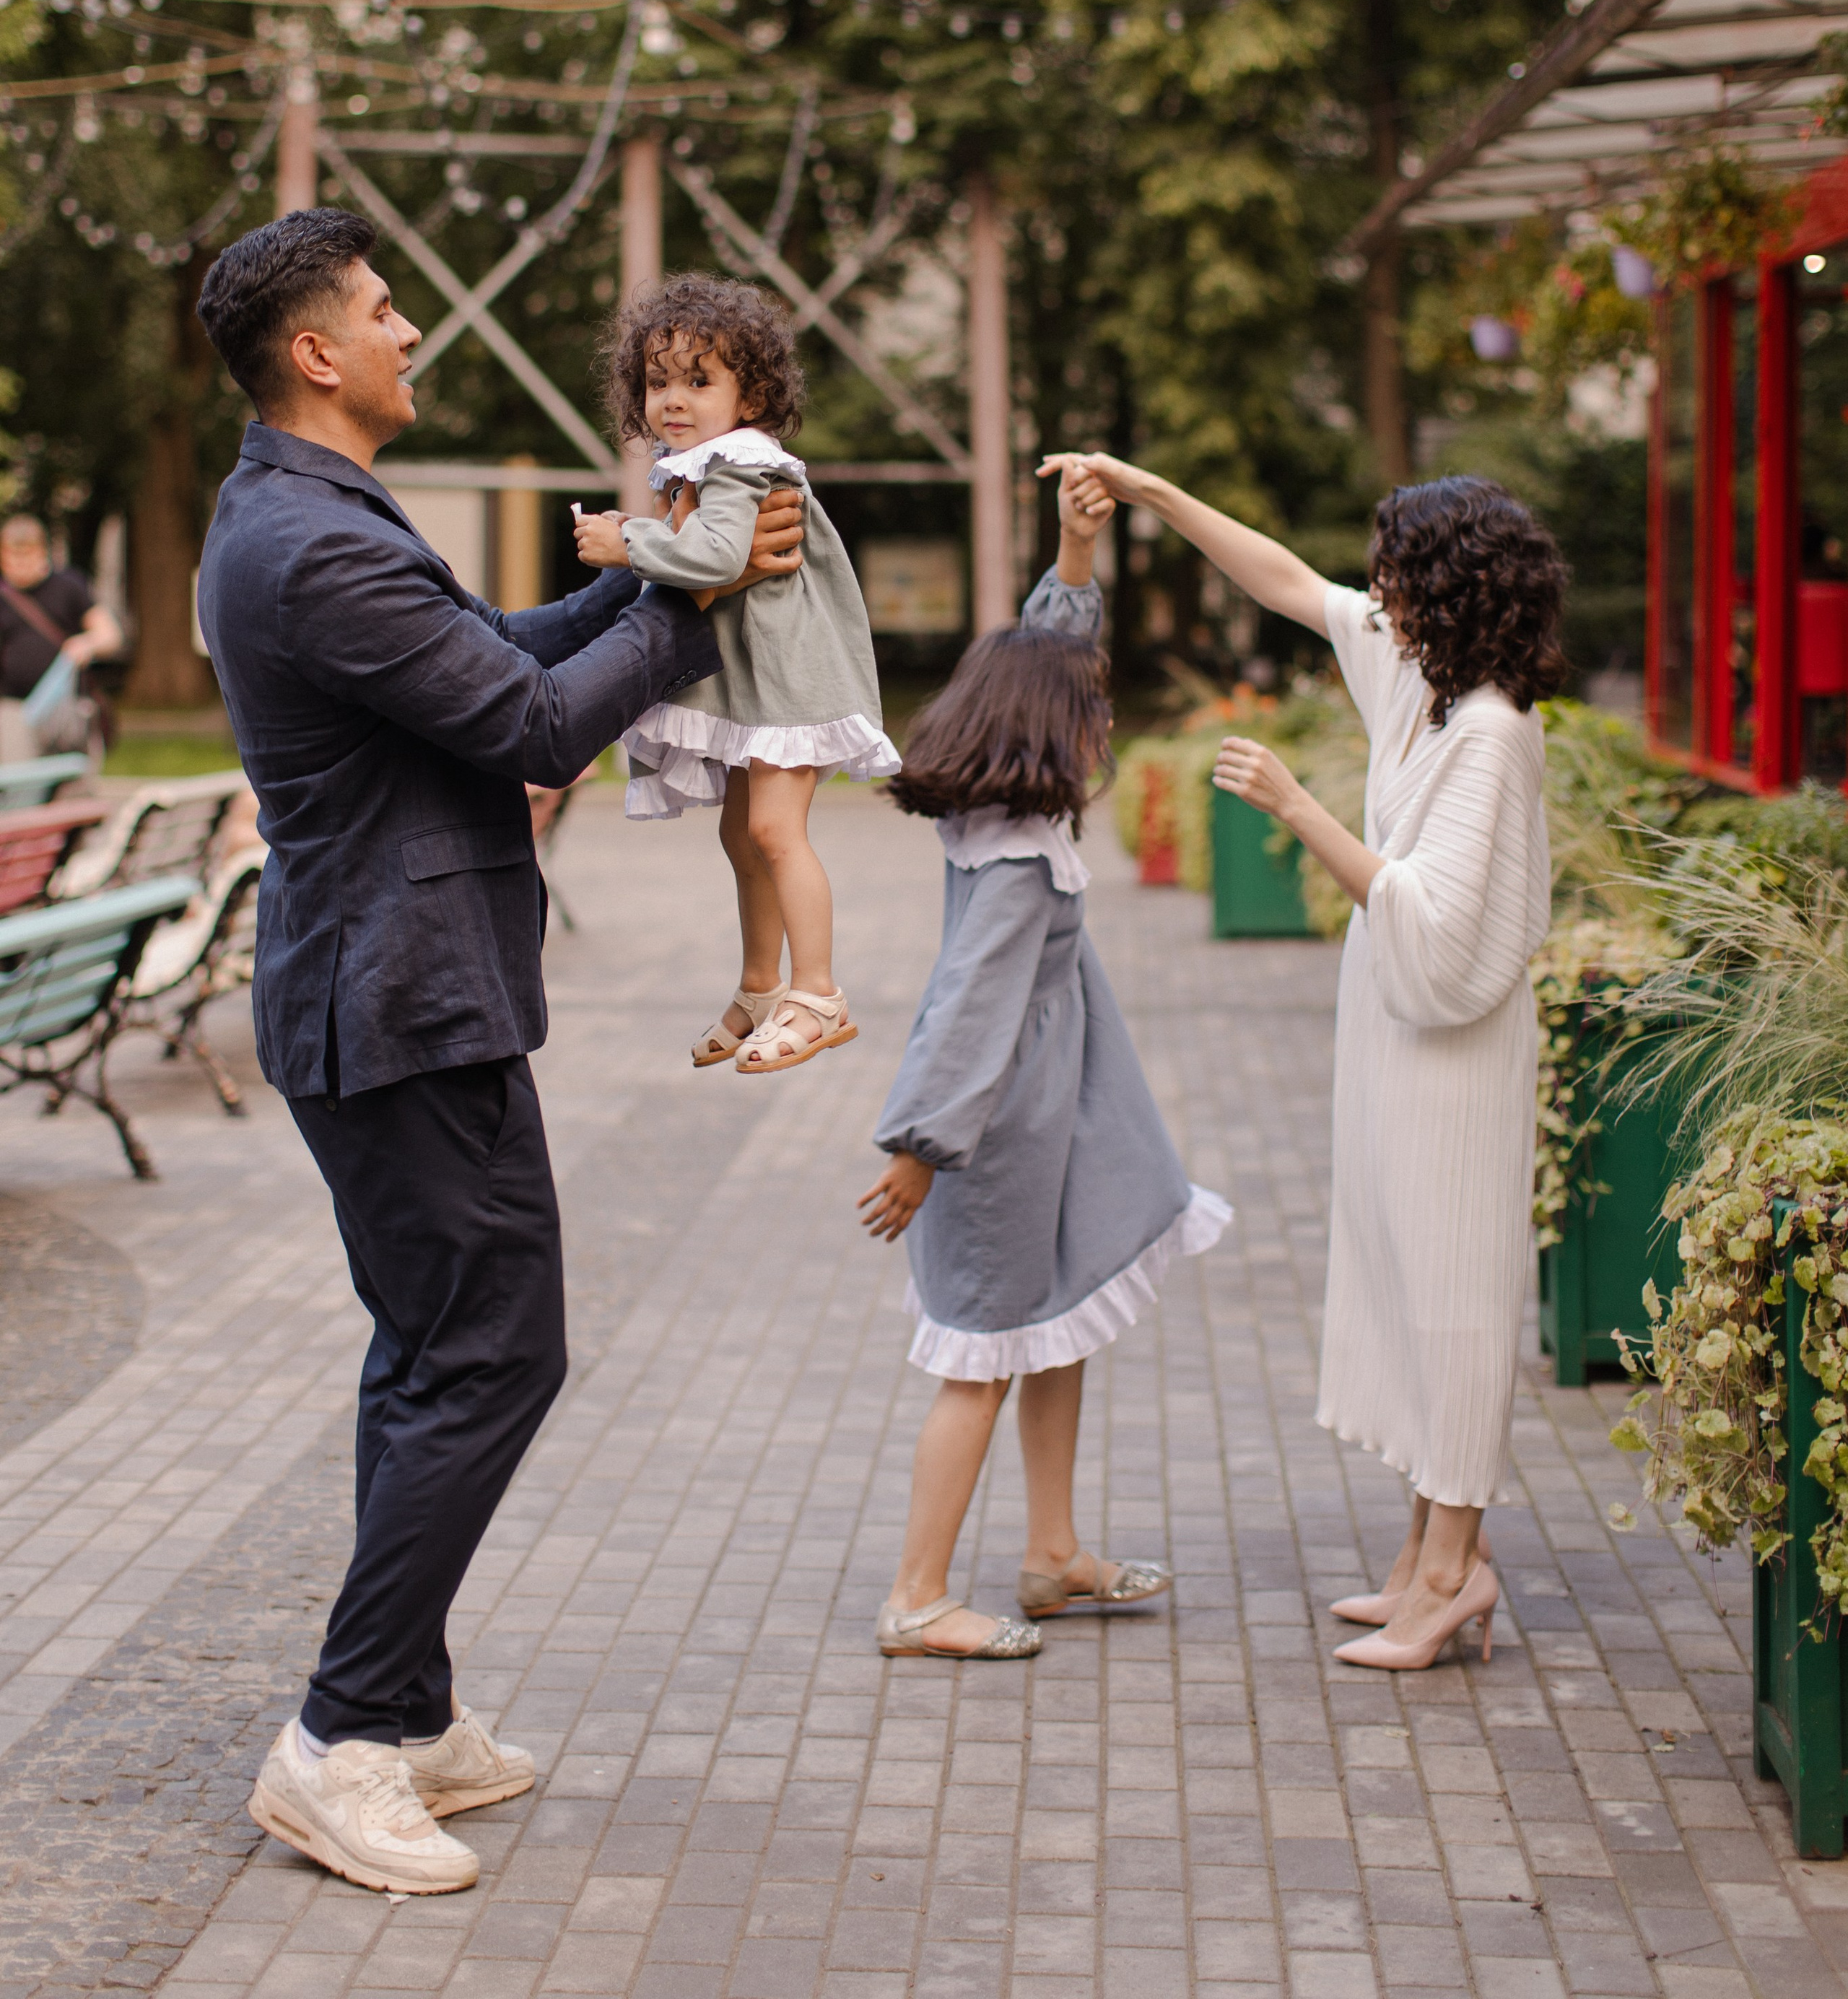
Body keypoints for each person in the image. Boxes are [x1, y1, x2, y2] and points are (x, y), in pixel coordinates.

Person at [191, 209, 803, 1898]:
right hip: (396, 1006)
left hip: (387, 998)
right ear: (318, 353)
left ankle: (401, 1701)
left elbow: (497, 659)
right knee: (494, 1354)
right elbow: (534, 725)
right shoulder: (312, 543)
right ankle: (336, 1744)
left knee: (433, 1348)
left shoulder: (307, 512)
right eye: (385, 314)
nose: (411, 333)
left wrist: (634, 577)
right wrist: (693, 596)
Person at [1047, 455, 1561, 1673]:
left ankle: (1455, 1567)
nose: (1373, 593)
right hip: (1394, 1032)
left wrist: (1296, 806)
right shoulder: (1428, 687)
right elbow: (1286, 580)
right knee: (1405, 1273)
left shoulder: (1485, 733)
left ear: (1445, 587)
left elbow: (1438, 920)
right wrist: (1154, 497)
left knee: (1458, 1298)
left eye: (1395, 574)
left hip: (1455, 1048)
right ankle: (1423, 1552)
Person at [855, 460, 1231, 1659]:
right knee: (982, 1361)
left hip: (1045, 1121)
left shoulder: (1005, 815)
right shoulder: (1020, 858)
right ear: (1050, 733)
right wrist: (918, 1150)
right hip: (1001, 1137)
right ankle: (919, 1598)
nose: (1106, 725)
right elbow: (969, 1011)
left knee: (1052, 1329)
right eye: (1096, 713)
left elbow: (1041, 647)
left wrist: (1074, 555)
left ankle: (1054, 1553)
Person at [572, 272, 897, 1073]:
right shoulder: (698, 469)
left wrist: (628, 544)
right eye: (657, 382)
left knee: (773, 831)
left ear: (749, 395)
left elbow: (718, 557)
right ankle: (760, 987)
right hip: (762, 683)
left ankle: (817, 992)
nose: (673, 399)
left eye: (698, 379)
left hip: (791, 683)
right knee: (739, 830)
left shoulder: (744, 464)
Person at [0, 513, 123, 762]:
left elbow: (110, 635)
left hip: (68, 710)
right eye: (13, 556)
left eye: (27, 555)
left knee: (72, 786)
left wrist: (87, 643)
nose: (19, 564)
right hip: (12, 711)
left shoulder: (69, 586)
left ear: (43, 552)